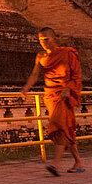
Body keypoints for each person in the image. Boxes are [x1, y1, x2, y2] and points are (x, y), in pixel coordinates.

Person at [21, 26, 84, 175]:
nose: (43, 43)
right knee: (64, 127)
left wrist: (69, 88)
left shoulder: (67, 53)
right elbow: (34, 75)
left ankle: (55, 164)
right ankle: (78, 161)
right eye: (40, 40)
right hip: (50, 95)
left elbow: (76, 76)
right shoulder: (40, 56)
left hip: (64, 95)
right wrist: (26, 88)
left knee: (60, 125)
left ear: (53, 38)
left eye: (46, 39)